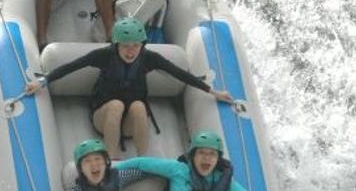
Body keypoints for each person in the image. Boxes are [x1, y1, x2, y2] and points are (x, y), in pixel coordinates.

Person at [25, 17, 233, 158]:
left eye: (136, 45)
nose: (131, 51)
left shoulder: (149, 58)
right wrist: (42, 82)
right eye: (126, 45)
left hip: (131, 124)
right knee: (115, 105)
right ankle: (111, 161)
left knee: (139, 106)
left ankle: (144, 160)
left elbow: (180, 74)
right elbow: (72, 67)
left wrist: (213, 92)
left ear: (142, 44)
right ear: (116, 44)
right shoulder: (104, 55)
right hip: (104, 118)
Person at [114, 131, 247, 191]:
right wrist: (113, 168)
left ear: (218, 160)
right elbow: (141, 163)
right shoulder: (178, 169)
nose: (206, 158)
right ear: (192, 156)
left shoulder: (222, 179)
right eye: (201, 153)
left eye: (212, 154)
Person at [68, 139, 146, 190]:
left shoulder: (118, 177)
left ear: (105, 163)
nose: (94, 164)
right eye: (87, 161)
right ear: (81, 169)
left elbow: (145, 171)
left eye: (97, 158)